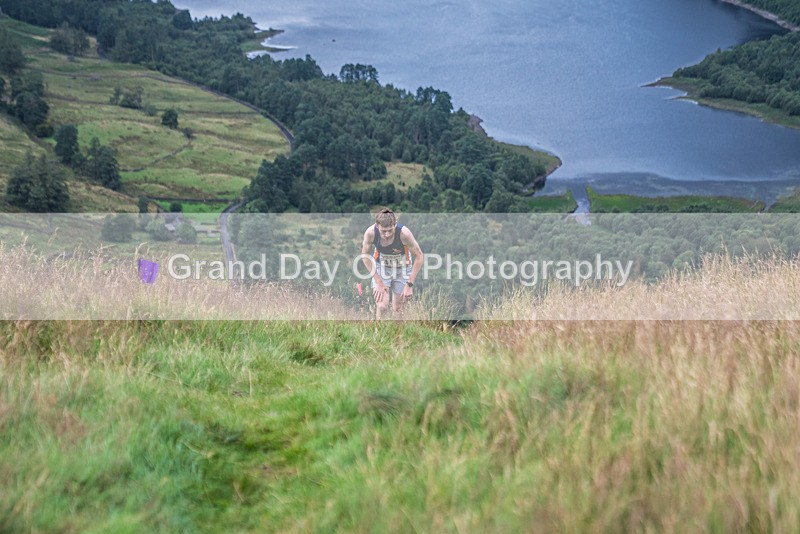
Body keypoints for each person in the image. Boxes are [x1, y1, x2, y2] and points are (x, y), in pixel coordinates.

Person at [361, 208, 423, 320]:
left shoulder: (404, 234)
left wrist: (409, 284)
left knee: (399, 309)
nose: (387, 234)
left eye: (390, 230)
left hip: (403, 270)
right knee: (382, 306)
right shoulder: (371, 233)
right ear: (377, 226)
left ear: (395, 224)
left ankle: (397, 336)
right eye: (383, 231)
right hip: (382, 268)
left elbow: (419, 256)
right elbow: (365, 255)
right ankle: (378, 334)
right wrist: (378, 281)